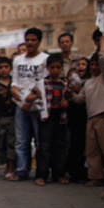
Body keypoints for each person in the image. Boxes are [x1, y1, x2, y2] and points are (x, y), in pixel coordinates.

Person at [66, 33, 104, 189]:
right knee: (92, 150)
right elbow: (80, 100)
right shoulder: (89, 83)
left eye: (95, 65)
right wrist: (70, 94)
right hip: (91, 118)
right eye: (92, 65)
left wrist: (103, 43)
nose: (94, 67)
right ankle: (96, 176)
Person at [9, 27, 49, 181]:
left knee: (40, 141)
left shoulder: (44, 59)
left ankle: (41, 173)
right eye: (28, 39)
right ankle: (21, 171)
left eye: (33, 40)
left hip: (37, 105)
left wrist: (29, 101)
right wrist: (13, 89)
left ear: (39, 42)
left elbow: (42, 83)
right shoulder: (18, 59)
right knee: (21, 140)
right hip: (20, 105)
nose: (30, 42)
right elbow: (15, 81)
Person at [34, 54, 70, 185]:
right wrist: (36, 99)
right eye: (52, 67)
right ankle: (41, 175)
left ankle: (58, 174)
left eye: (58, 67)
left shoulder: (65, 83)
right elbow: (34, 100)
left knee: (60, 146)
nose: (55, 70)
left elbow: (69, 98)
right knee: (44, 146)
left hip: (61, 117)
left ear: (62, 68)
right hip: (46, 117)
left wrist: (66, 103)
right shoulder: (42, 83)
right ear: (48, 68)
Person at [66, 58, 91, 182]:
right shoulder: (71, 81)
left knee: (84, 145)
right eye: (79, 65)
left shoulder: (90, 82)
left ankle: (84, 172)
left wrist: (79, 89)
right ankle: (73, 172)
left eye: (84, 64)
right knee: (74, 144)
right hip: (73, 117)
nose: (80, 67)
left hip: (86, 116)